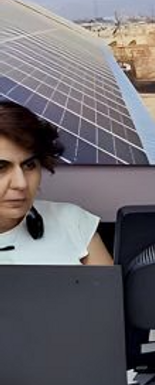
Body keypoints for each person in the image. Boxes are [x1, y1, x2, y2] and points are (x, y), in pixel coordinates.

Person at [0, 101, 111, 266]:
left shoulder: (71, 220)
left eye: (29, 165)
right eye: (1, 167)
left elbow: (107, 283)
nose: (21, 183)